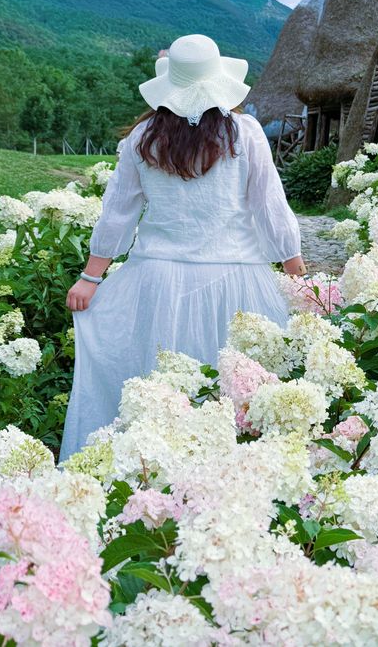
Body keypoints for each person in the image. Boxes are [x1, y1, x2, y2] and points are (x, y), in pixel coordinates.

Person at [59, 34, 305, 460]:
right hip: (236, 282)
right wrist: (299, 276)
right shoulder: (244, 133)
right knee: (234, 398)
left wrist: (90, 277)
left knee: (156, 390)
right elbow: (270, 207)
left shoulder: (143, 137)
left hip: (157, 283)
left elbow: (118, 212)